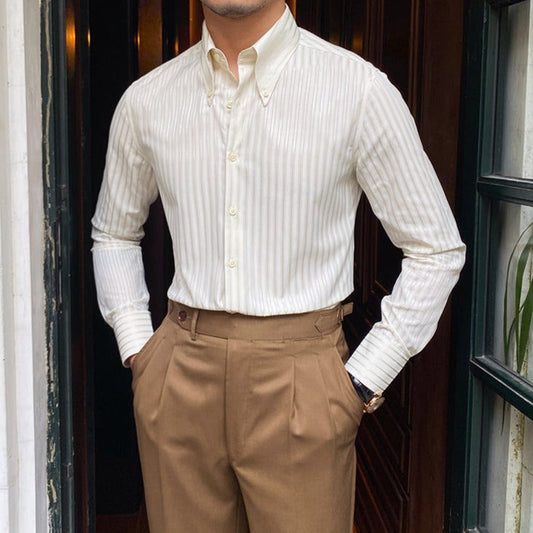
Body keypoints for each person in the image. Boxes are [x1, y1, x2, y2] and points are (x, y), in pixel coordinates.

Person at [91, 1, 466, 531]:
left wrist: (361, 379)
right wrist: (139, 348)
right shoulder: (146, 100)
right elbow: (113, 231)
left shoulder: (358, 91)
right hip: (178, 376)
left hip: (304, 379)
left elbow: (435, 249)